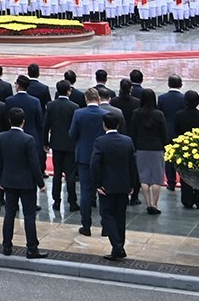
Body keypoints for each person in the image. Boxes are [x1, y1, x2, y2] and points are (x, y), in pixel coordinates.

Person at [0, 107, 46, 257]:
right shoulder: (28, 139)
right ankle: (32, 248)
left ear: (9, 120)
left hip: (8, 181)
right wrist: (40, 183)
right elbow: (34, 164)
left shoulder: (0, 137)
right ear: (23, 122)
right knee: (29, 216)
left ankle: (7, 246)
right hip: (26, 183)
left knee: (9, 213)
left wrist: (0, 180)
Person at [90, 113, 138, 260]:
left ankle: (117, 247)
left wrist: (97, 184)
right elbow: (133, 164)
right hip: (123, 184)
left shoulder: (100, 141)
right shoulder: (127, 141)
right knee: (120, 217)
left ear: (104, 125)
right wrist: (133, 184)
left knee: (107, 216)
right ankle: (119, 246)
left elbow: (94, 164)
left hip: (107, 185)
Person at [69, 88, 110, 236]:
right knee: (103, 191)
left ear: (86, 99)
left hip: (84, 157)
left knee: (86, 192)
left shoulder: (79, 113)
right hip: (102, 157)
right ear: (98, 99)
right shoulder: (105, 114)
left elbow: (72, 134)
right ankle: (106, 227)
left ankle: (86, 226)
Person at [130, 89, 169, 214]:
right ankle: (155, 204)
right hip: (157, 148)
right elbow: (164, 133)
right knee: (157, 178)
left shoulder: (136, 113)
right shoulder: (159, 114)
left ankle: (147, 203)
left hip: (141, 148)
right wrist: (165, 146)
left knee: (144, 177)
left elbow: (133, 132)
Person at [172, 90, 199, 209]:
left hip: (184, 149)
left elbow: (176, 132)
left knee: (186, 175)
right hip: (198, 150)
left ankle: (187, 199)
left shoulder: (179, 115)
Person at [47, 82, 80, 214]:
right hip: (70, 144)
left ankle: (56, 200)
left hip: (56, 144)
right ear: (69, 91)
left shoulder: (51, 105)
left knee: (57, 173)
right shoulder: (74, 107)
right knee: (70, 175)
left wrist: (45, 142)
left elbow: (46, 125)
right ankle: (72, 201)